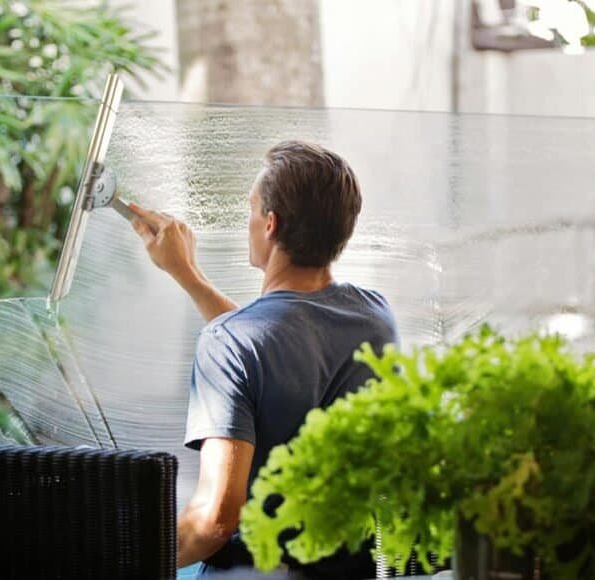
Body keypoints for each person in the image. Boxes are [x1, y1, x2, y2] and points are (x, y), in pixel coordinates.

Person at [129, 140, 397, 578]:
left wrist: (119, 556)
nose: (248, 220)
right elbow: (281, 341)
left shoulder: (231, 343)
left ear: (270, 224)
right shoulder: (375, 317)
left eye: (251, 209)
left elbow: (213, 522)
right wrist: (188, 275)